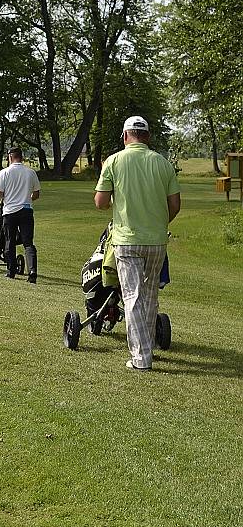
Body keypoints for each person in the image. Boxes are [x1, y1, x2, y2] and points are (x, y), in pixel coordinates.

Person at [94, 116, 181, 371]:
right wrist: (160, 222)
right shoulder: (163, 163)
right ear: (148, 137)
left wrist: (115, 205)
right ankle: (148, 342)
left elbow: (100, 202)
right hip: (156, 241)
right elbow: (174, 205)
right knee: (150, 295)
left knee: (132, 296)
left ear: (125, 136)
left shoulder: (114, 161)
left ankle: (142, 358)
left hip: (127, 240)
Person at [0, 146, 40, 283]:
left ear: (10, 157)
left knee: (10, 241)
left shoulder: (4, 173)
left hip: (10, 211)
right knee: (28, 243)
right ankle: (32, 271)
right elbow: (36, 194)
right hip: (26, 210)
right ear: (22, 157)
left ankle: (11, 270)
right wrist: (26, 199)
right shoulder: (31, 172)